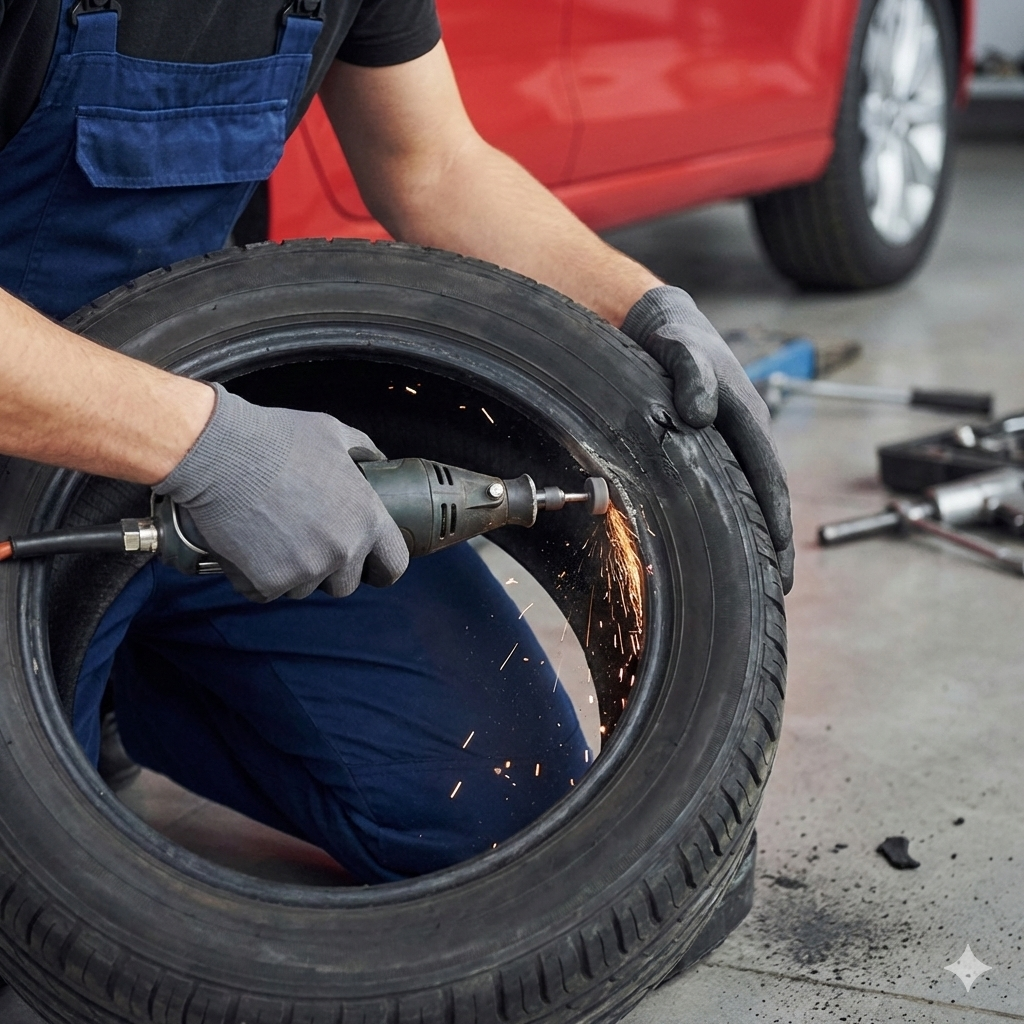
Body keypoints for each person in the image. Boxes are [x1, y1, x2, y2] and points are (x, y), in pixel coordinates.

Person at [0, 0, 793, 883]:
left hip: (216, 421)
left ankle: (127, 677)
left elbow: (435, 165)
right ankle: (72, 669)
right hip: (41, 449)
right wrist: (209, 445)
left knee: (507, 831)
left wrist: (641, 307)